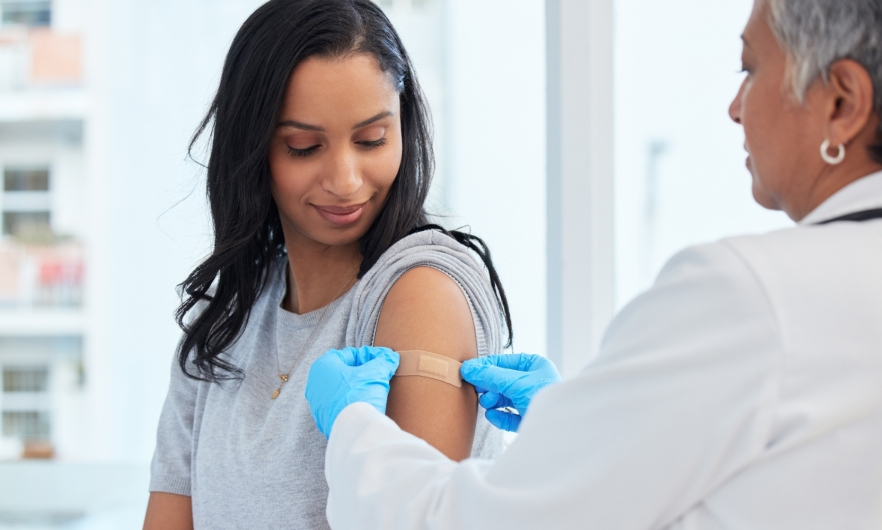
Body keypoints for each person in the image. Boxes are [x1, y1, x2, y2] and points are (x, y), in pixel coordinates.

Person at [305, 0, 882, 528]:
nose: (734, 109)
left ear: (842, 102)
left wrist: (357, 430)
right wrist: (579, 431)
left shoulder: (753, 295)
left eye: (750, 70)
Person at [142, 1, 512, 528]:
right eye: (303, 146)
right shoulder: (222, 323)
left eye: (371, 140)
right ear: (252, 148)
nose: (346, 181)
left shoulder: (420, 290)